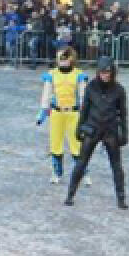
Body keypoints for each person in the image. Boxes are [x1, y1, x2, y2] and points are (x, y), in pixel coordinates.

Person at [65, 57, 128, 209]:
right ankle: (70, 195)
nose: (105, 75)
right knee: (81, 163)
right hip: (92, 128)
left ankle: (121, 199)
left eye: (108, 72)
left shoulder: (119, 89)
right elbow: (84, 109)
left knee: (117, 166)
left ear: (113, 72)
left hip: (110, 130)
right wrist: (79, 128)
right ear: (98, 72)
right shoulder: (91, 87)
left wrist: (124, 133)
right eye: (102, 72)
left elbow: (123, 113)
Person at [37, 47, 89, 185]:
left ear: (72, 58)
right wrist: (43, 111)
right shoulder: (52, 74)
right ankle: (57, 173)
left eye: (66, 58)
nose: (63, 61)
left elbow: (84, 96)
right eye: (60, 58)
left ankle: (82, 173)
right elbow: (46, 94)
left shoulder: (79, 75)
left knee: (77, 144)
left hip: (74, 113)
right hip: (57, 113)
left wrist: (86, 114)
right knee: (55, 144)